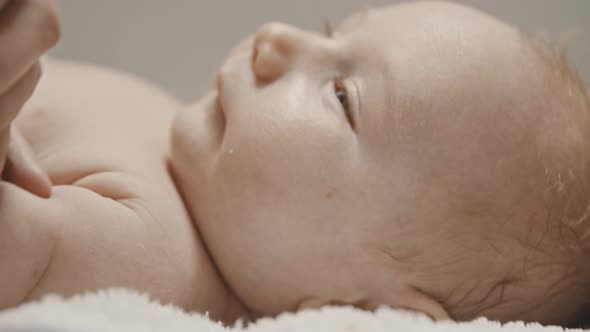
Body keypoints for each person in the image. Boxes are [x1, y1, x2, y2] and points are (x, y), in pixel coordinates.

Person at [1, 0, 590, 327]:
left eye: (340, 97)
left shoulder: (156, 250)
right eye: (330, 32)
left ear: (366, 309)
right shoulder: (194, 167)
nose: (275, 36)